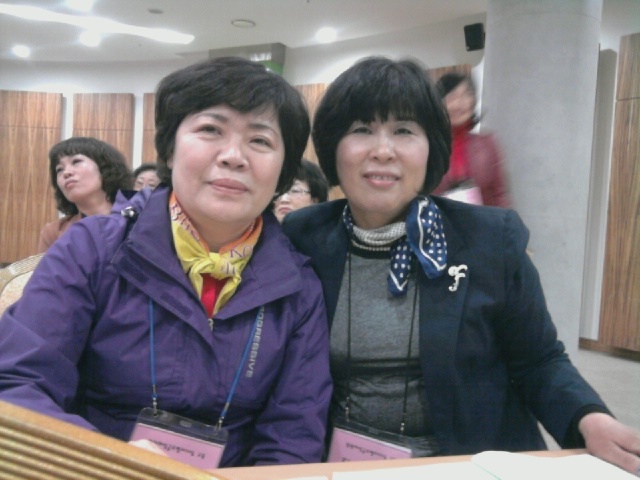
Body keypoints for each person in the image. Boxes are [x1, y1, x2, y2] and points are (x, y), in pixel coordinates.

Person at [282, 56, 640, 475]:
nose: (383, 150)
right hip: (344, 466)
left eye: (404, 131)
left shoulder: (489, 239)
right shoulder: (305, 235)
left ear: (431, 147)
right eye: (362, 129)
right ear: (332, 146)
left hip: (469, 463)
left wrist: (589, 418)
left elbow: (539, 360)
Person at [0, 57, 332, 468]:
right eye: (210, 130)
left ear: (283, 171)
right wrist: (108, 460)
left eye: (260, 141)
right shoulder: (94, 248)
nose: (233, 156)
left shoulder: (297, 284)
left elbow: (293, 437)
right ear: (170, 149)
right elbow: (16, 381)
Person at [37, 136, 133, 252]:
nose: (66, 173)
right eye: (59, 169)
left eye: (76, 162)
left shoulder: (138, 218)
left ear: (104, 167)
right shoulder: (53, 232)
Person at [431, 72, 510, 208]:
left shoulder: (487, 143)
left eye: (465, 95)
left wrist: (506, 220)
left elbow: (499, 194)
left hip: (482, 220)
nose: (459, 103)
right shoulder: (429, 146)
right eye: (451, 97)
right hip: (438, 220)